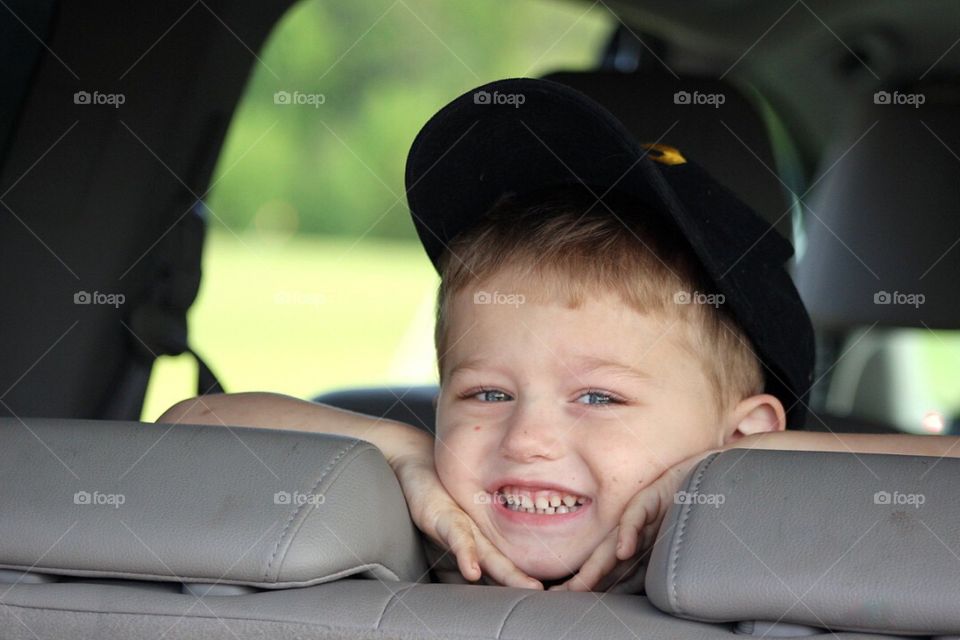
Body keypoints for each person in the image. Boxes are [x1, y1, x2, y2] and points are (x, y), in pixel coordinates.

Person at [157, 78, 960, 593]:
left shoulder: (808, 569)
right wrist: (398, 456)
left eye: (600, 396)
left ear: (744, 435)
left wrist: (735, 477)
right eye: (487, 392)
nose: (528, 438)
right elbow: (187, 428)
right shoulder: (421, 518)